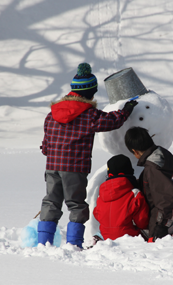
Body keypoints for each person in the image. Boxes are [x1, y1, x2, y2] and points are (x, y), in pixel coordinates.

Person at [38, 63, 138, 248]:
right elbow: (111, 121)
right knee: (76, 205)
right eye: (93, 92)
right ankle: (74, 245)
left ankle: (43, 244)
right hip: (74, 168)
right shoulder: (88, 114)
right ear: (89, 92)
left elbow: (45, 147)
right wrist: (126, 111)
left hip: (52, 167)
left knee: (51, 203)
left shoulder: (51, 115)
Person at [124, 126, 173, 242]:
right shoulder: (160, 156)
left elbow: (167, 199)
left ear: (135, 151)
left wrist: (160, 227)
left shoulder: (154, 168)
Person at [93, 154, 149, 241]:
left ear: (110, 174)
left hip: (107, 238)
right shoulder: (134, 194)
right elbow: (142, 222)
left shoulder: (101, 196)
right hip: (130, 238)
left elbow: (97, 214)